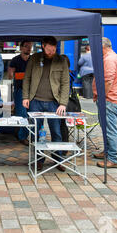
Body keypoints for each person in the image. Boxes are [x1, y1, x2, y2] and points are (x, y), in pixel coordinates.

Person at [22, 36, 70, 172]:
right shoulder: (34, 58)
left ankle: (58, 159)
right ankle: (38, 160)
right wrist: (25, 97)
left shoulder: (61, 60)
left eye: (53, 49)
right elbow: (27, 78)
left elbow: (66, 83)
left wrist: (63, 103)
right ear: (43, 46)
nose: (51, 52)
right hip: (35, 101)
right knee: (36, 133)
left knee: (56, 132)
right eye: (49, 49)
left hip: (54, 103)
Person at [92, 37, 117, 168]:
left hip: (109, 100)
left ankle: (115, 158)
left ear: (102, 47)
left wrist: (101, 96)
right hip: (108, 99)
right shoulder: (111, 57)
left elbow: (108, 81)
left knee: (110, 129)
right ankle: (108, 151)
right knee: (106, 128)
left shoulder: (110, 59)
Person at [8, 41, 32, 146]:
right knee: (22, 113)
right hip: (20, 90)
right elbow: (10, 75)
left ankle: (25, 133)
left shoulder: (33, 60)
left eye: (30, 47)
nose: (28, 48)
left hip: (32, 90)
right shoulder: (15, 60)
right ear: (21, 48)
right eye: (26, 46)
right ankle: (22, 136)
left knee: (31, 113)